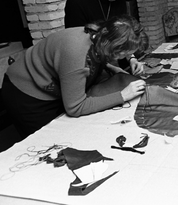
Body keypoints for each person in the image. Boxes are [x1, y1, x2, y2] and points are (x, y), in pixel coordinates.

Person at [1, 15, 150, 139]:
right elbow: (75, 107)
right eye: (121, 52)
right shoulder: (75, 52)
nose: (123, 56)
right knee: (51, 141)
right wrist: (123, 95)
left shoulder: (98, 35)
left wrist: (114, 69)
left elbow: (96, 57)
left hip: (50, 85)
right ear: (108, 40)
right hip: (25, 92)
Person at [64, 0, 143, 74]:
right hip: (86, 66)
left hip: (111, 60)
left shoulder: (120, 1)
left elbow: (124, 35)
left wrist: (131, 58)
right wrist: (111, 68)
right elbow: (78, 47)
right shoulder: (77, 1)